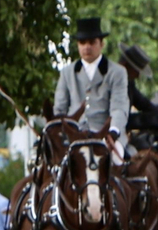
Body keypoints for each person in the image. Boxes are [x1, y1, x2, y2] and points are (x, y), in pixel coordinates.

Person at [53, 17, 129, 151]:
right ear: (78, 45)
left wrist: (113, 132)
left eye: (92, 42)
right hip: (73, 136)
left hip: (106, 134)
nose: (87, 47)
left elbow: (119, 107)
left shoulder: (117, 72)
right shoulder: (66, 72)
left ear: (101, 44)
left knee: (117, 160)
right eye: (82, 42)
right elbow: (60, 109)